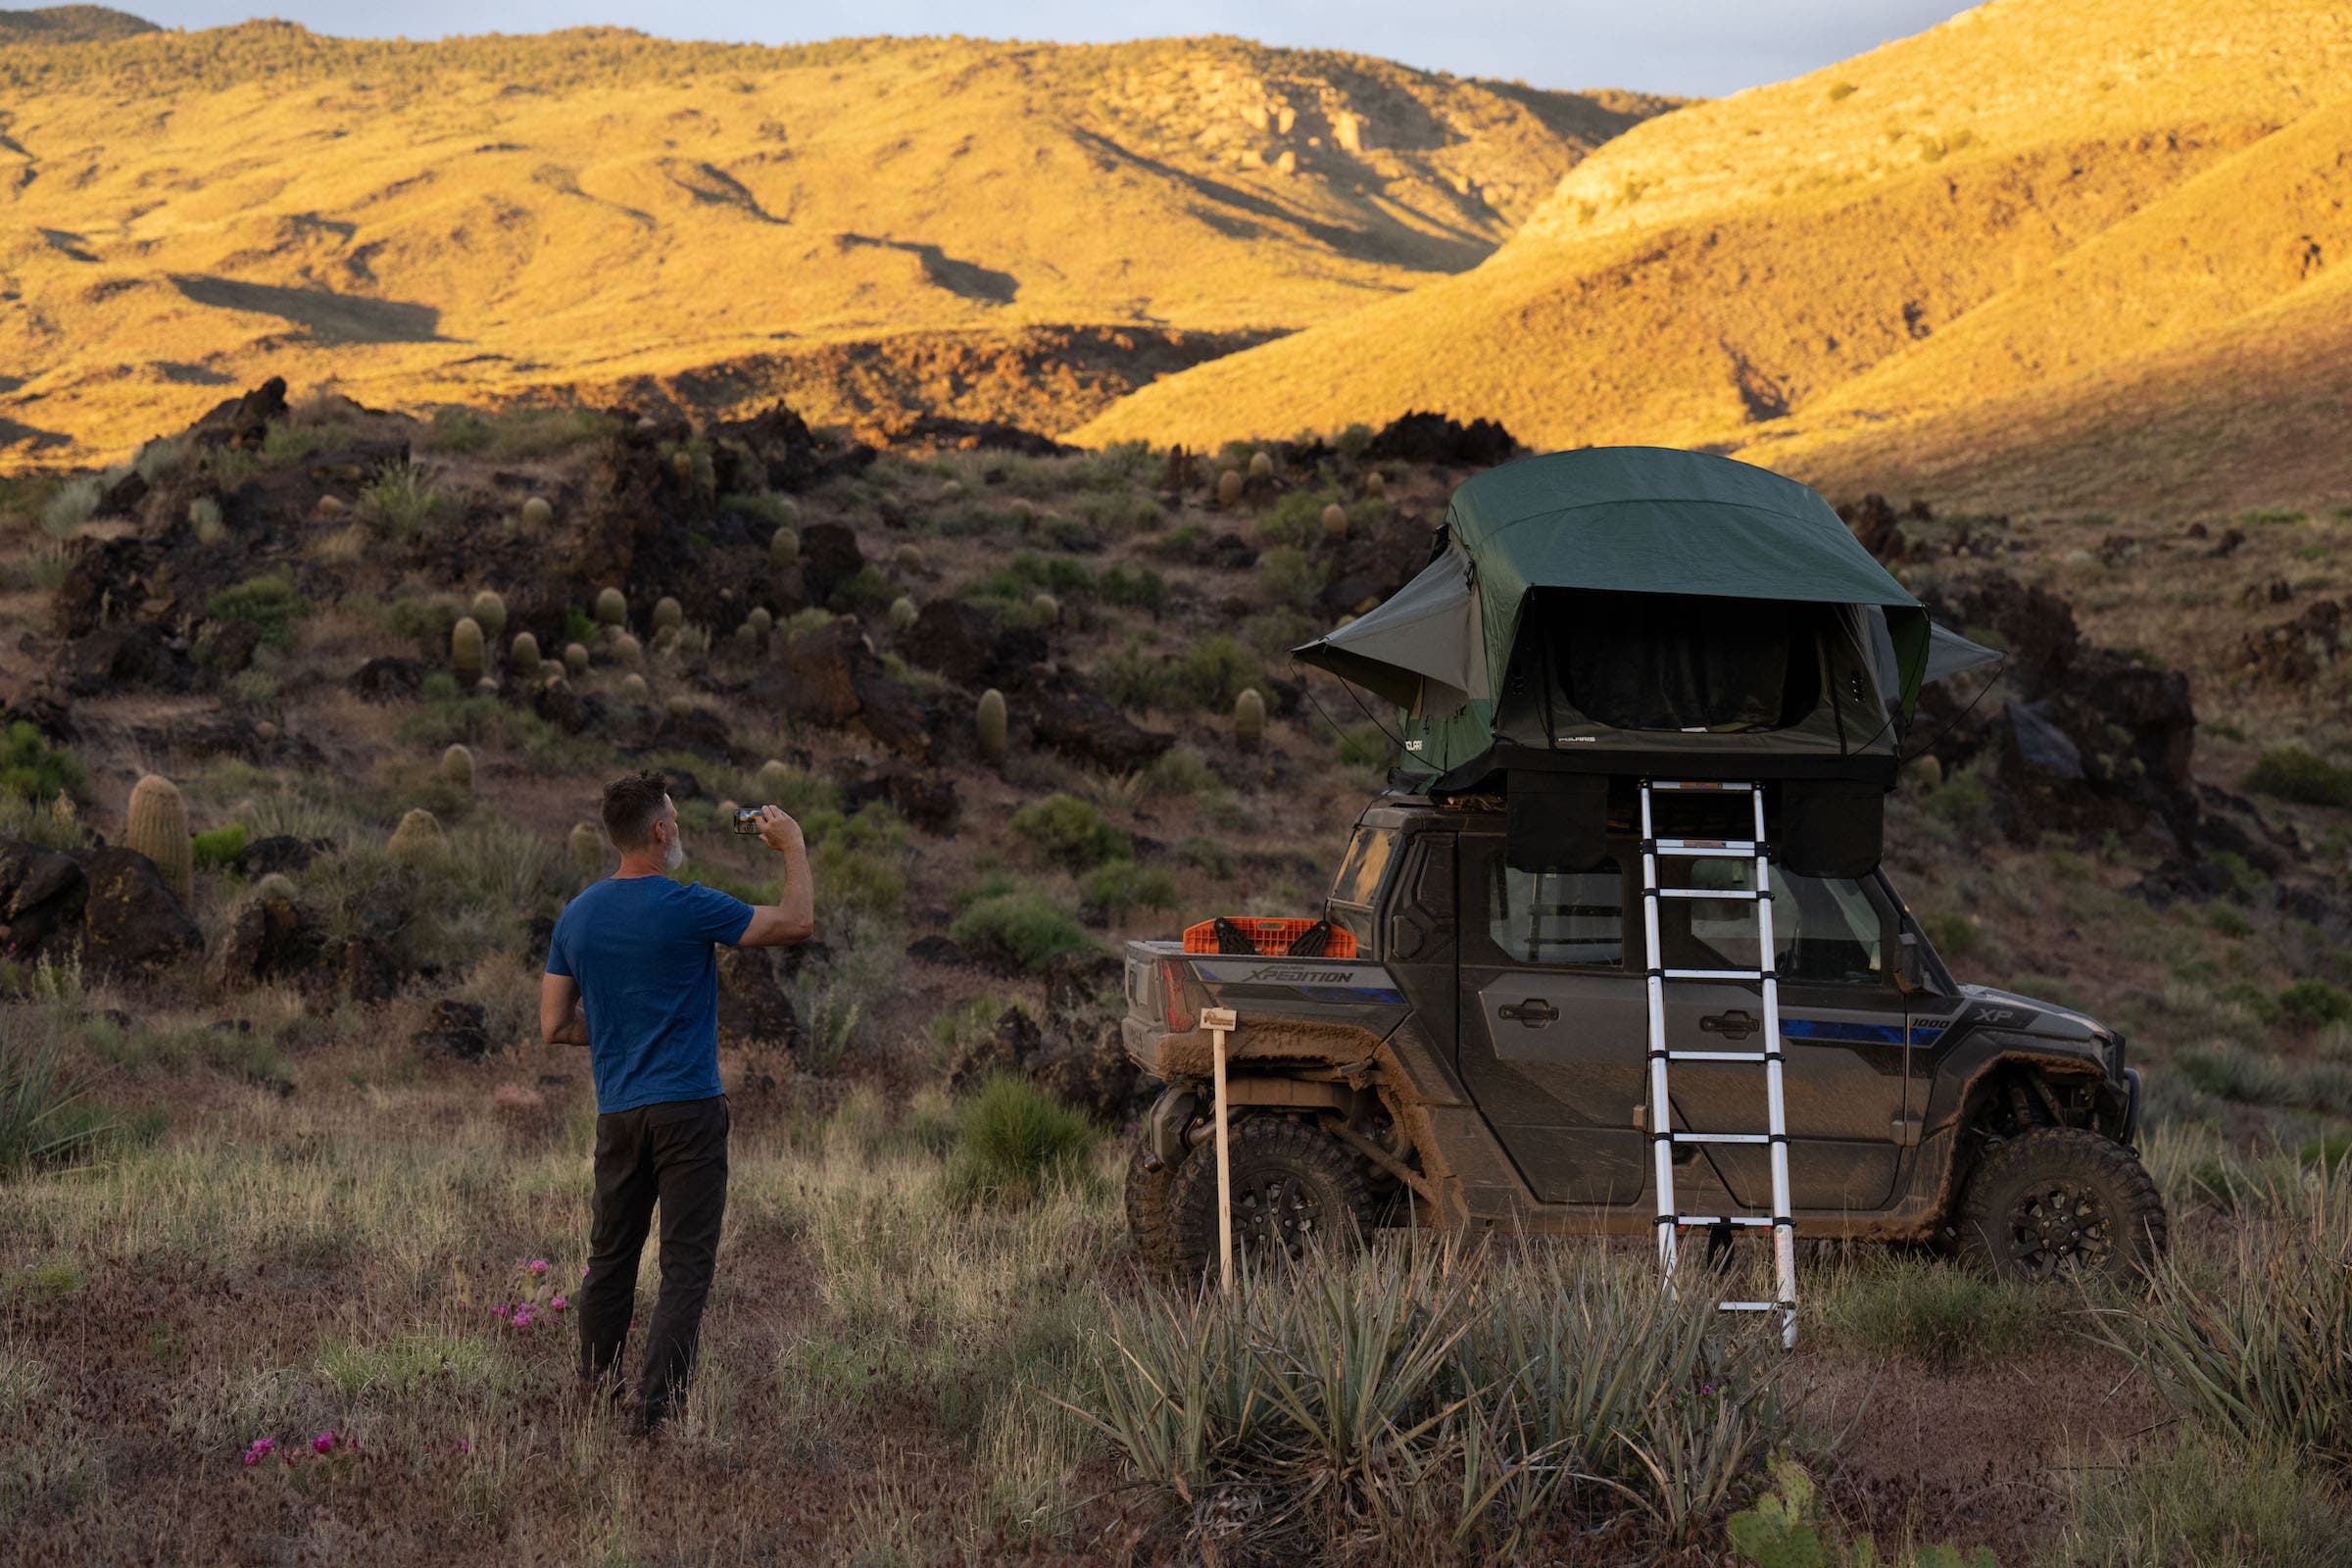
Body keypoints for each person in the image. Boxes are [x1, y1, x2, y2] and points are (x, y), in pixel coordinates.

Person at [541, 771, 812, 1433]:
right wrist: (793, 847)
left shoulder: (575, 917)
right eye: (677, 821)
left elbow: (553, 1026)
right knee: (684, 1268)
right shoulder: (689, 905)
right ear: (659, 832)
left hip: (619, 1113)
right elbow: (796, 922)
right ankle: (652, 1416)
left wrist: (615, 1034)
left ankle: (596, 1395)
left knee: (610, 1260)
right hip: (689, 1109)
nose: (680, 830)